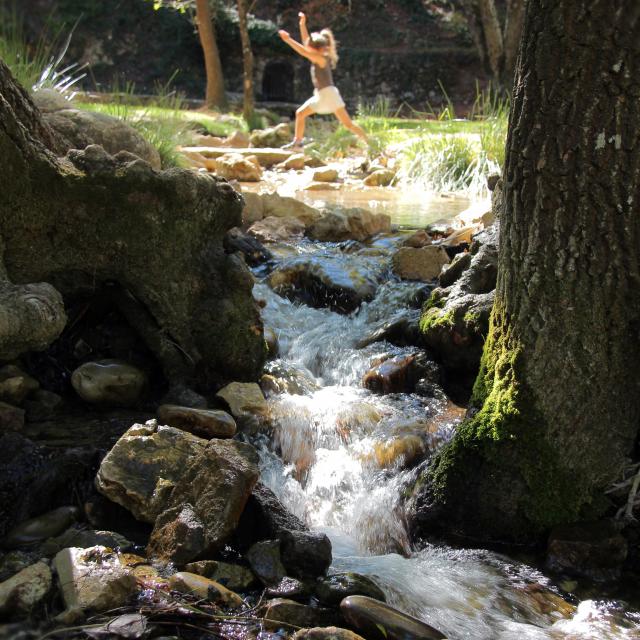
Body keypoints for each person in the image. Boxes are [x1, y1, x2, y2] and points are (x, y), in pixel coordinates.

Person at [278, 12, 368, 150]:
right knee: (301, 114)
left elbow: (303, 50)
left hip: (328, 94)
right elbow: (306, 44)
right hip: (323, 94)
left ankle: (370, 143)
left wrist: (288, 39)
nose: (308, 48)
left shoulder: (320, 58)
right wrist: (302, 25)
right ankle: (297, 143)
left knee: (348, 124)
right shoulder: (319, 54)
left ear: (318, 49)